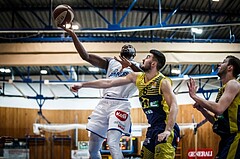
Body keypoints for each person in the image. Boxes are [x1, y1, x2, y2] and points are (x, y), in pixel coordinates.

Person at [70, 49, 179, 159]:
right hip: (152, 128)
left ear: (153, 63)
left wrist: (168, 130)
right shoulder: (137, 77)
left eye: (147, 57)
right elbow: (109, 82)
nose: (143, 59)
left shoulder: (163, 81)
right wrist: (82, 84)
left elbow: (174, 105)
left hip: (166, 127)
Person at [61, 25, 141, 159]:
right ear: (120, 55)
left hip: (121, 104)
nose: (127, 56)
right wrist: (73, 34)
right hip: (104, 103)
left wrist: (131, 65)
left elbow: (149, 78)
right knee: (92, 148)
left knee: (113, 143)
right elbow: (85, 56)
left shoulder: (138, 67)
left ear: (134, 56)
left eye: (129, 55)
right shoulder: (111, 62)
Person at [187, 55, 240, 159]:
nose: (219, 65)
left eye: (223, 62)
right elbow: (216, 120)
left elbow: (218, 109)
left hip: (235, 137)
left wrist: (195, 96)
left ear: (230, 67)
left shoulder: (233, 84)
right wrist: (202, 109)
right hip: (226, 139)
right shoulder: (223, 89)